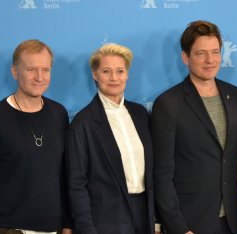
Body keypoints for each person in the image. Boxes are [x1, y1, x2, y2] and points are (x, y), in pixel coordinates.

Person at [151, 20, 237, 234]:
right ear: (185, 57)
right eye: (201, 53)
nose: (210, 60)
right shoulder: (168, 103)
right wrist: (179, 228)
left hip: (230, 221)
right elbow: (162, 174)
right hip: (190, 222)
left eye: (215, 52)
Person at [0, 39, 72, 234]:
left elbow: (66, 175)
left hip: (54, 229)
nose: (39, 77)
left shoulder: (59, 114)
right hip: (10, 229)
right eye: (31, 69)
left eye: (46, 70)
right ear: (14, 72)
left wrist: (68, 224)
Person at [66, 43, 155, 234]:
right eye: (106, 71)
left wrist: (156, 221)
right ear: (95, 74)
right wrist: (86, 229)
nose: (114, 78)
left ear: (127, 75)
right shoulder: (83, 123)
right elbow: (76, 184)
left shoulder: (140, 114)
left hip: (144, 215)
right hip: (106, 220)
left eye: (120, 71)